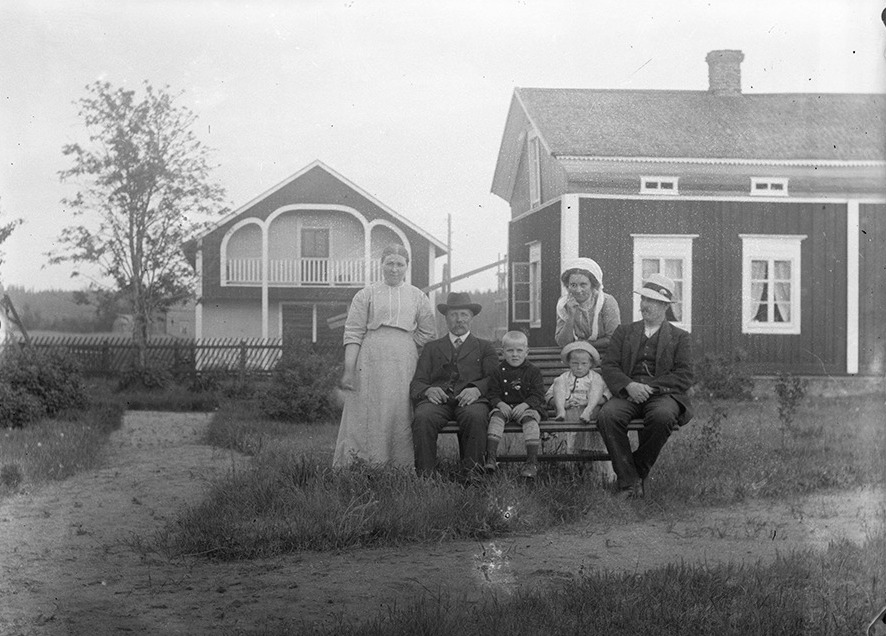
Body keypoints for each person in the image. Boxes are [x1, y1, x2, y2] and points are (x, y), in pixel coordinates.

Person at [332, 244, 436, 469]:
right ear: (381, 264)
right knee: (368, 410)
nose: (394, 269)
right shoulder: (366, 294)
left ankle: (398, 466)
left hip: (403, 361)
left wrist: (406, 343)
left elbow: (428, 331)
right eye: (390, 263)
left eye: (400, 264)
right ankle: (361, 465)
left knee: (398, 410)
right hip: (370, 359)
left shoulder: (417, 296)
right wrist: (349, 370)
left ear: (407, 266)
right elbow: (353, 332)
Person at [596, 273, 694, 499]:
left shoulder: (680, 338)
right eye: (644, 299)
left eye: (652, 301)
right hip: (627, 394)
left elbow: (685, 375)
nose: (645, 305)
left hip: (662, 396)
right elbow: (609, 366)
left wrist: (651, 388)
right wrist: (629, 385)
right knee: (607, 416)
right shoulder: (624, 332)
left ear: (665, 306)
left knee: (662, 417)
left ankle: (633, 472)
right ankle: (630, 483)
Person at [410, 291, 498, 477]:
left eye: (464, 314)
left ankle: (473, 476)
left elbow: (493, 378)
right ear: (446, 319)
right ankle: (426, 478)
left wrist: (476, 389)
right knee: (423, 416)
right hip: (438, 401)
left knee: (475, 416)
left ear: (471, 318)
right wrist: (428, 390)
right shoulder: (432, 347)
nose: (459, 320)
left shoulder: (485, 347)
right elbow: (418, 381)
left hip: (471, 401)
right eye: (453, 315)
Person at [545, 340, 614, 479]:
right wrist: (563, 404)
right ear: (569, 363)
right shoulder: (565, 377)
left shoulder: (594, 377)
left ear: (591, 364)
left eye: (584, 364)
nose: (579, 367)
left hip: (591, 415)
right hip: (569, 414)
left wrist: (587, 403)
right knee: (558, 382)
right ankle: (561, 411)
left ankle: (600, 477)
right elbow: (548, 396)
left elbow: (606, 396)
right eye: (575, 363)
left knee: (597, 383)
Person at [484, 330, 547, 478]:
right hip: (504, 407)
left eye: (519, 350)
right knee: (495, 419)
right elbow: (492, 393)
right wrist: (500, 404)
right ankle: (491, 457)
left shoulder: (533, 371)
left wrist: (525, 405)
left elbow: (538, 394)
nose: (515, 354)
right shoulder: (497, 371)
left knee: (531, 422)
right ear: (502, 352)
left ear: (527, 352)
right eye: (510, 350)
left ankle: (532, 462)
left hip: (526, 407)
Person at [555, 257, 621, 352]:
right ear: (567, 286)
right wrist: (571, 316)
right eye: (573, 285)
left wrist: (584, 344)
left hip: (604, 355)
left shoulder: (606, 301)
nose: (578, 290)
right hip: (575, 357)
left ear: (593, 285)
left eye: (583, 285)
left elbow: (613, 338)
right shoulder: (563, 305)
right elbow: (562, 343)